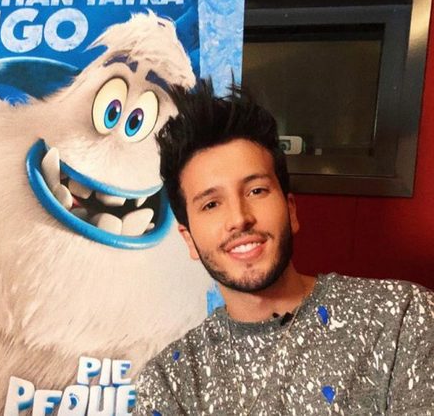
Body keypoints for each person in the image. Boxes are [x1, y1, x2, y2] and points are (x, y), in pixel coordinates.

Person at [133, 79, 434, 415]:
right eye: (211, 204)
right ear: (189, 238)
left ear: (291, 211)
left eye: (256, 191)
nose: (239, 218)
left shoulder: (401, 318)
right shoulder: (170, 381)